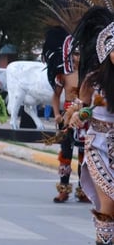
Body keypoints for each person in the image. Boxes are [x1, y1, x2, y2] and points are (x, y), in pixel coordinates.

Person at [68, 6, 114, 245]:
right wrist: (77, 114)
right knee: (109, 204)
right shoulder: (93, 81)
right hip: (99, 147)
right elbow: (81, 109)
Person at [45, 27, 90, 202]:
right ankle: (63, 189)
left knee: (83, 155)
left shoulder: (89, 74)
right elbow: (55, 96)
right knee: (65, 153)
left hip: (84, 118)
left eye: (79, 53)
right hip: (67, 118)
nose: (76, 57)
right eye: (74, 53)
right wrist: (57, 114)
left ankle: (83, 189)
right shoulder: (63, 75)